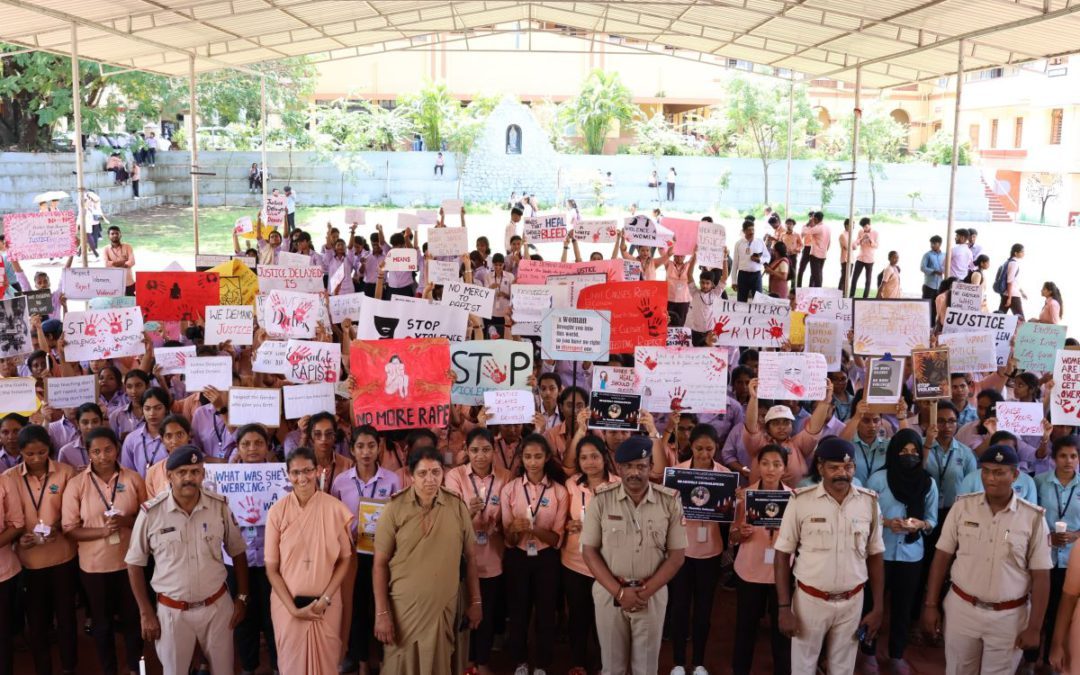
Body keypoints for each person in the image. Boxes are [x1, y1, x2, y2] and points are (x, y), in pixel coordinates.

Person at [921, 445, 1052, 675]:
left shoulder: (1032, 518)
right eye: (986, 471)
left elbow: (1041, 576)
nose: (991, 478)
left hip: (1009, 617)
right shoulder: (963, 507)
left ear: (1015, 475)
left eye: (999, 472)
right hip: (963, 609)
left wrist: (1034, 627)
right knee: (958, 670)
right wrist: (931, 605)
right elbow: (942, 556)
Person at [125, 445, 249, 675]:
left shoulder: (218, 506)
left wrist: (241, 597)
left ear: (203, 474)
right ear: (169, 476)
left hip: (217, 607)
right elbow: (134, 563)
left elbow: (237, 551)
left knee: (225, 671)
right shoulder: (151, 513)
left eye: (195, 471)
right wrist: (146, 612)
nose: (189, 478)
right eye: (182, 472)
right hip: (172, 612)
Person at [774, 436, 885, 675]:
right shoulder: (801, 501)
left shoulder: (869, 503)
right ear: (820, 468)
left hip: (853, 601)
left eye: (848, 467)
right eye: (834, 467)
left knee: (843, 668)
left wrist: (877, 607)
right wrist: (784, 607)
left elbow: (875, 555)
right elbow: (782, 555)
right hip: (810, 600)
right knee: (803, 667)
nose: (842, 473)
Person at [581, 436, 687, 675]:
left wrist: (643, 593)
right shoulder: (601, 500)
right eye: (628, 466)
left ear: (651, 466)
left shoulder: (669, 502)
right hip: (610, 594)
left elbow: (677, 556)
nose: (634, 472)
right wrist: (619, 593)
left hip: (651, 595)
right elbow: (589, 552)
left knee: (646, 668)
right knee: (612, 667)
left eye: (641, 466)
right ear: (618, 468)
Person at [373, 446, 482, 675]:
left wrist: (476, 601)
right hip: (403, 611)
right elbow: (380, 564)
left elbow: (471, 558)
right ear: (411, 476)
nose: (430, 479)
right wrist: (382, 614)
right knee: (399, 665)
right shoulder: (394, 509)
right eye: (423, 473)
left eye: (436, 472)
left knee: (439, 664)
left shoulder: (456, 506)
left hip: (444, 607)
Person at [61, 426, 147, 675]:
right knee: (102, 623)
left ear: (117, 449)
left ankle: (136, 669)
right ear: (88, 453)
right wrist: (102, 532)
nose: (103, 456)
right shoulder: (77, 484)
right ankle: (109, 669)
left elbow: (148, 518)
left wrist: (126, 522)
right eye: (96, 451)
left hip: (130, 563)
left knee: (133, 621)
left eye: (108, 449)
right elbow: (69, 528)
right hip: (94, 566)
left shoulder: (132, 478)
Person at [265, 447, 354, 675]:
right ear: (287, 474)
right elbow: (272, 568)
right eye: (295, 472)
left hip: (326, 606)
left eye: (307, 470)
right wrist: (293, 610)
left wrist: (325, 598)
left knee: (326, 664)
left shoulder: (335, 509)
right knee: (291, 665)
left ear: (318, 471)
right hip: (287, 606)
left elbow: (345, 559)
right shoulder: (277, 512)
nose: (302, 478)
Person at [3, 424, 78, 675]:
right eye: (29, 454)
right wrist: (17, 540)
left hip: (62, 556)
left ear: (50, 449)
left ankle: (69, 668)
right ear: (20, 453)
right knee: (36, 623)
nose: (36, 459)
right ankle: (42, 668)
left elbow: (72, 512)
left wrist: (57, 526)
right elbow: (10, 520)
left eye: (42, 453)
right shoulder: (9, 478)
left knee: (66, 619)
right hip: (28, 561)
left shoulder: (66, 473)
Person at [864, 429, 938, 675]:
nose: (909, 456)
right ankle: (868, 652)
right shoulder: (878, 479)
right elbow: (865, 514)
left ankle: (896, 654)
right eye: (904, 451)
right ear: (894, 452)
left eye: (914, 452)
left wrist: (920, 525)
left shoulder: (928, 482)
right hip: (879, 552)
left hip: (911, 553)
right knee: (872, 604)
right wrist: (886, 523)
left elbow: (932, 519)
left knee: (903, 607)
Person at [332, 425, 400, 675]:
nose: (366, 451)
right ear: (352, 450)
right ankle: (362, 663)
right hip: (353, 556)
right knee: (358, 608)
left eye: (371, 445)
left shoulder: (392, 480)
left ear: (379, 447)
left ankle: (384, 662)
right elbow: (334, 519)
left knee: (383, 606)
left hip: (383, 554)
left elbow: (398, 517)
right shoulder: (341, 482)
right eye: (360, 446)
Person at [499, 434, 568, 675]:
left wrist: (533, 529)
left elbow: (557, 539)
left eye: (538, 456)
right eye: (527, 456)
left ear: (547, 457)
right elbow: (508, 540)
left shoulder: (559, 491)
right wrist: (514, 531)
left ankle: (542, 663)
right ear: (521, 458)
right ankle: (520, 661)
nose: (532, 462)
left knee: (546, 612)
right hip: (518, 556)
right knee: (518, 611)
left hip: (547, 558)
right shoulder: (510, 489)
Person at [444, 428, 510, 675]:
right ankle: (465, 662)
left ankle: (482, 662)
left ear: (494, 451)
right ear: (466, 452)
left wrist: (500, 522)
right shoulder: (455, 476)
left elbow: (512, 512)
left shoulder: (506, 476)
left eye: (485, 450)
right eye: (474, 450)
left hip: (493, 557)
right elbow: (449, 519)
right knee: (463, 612)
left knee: (487, 613)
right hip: (461, 557)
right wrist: (469, 512)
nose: (480, 456)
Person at [668, 425, 732, 675]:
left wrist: (731, 502)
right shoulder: (678, 473)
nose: (705, 454)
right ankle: (677, 662)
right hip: (681, 551)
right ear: (690, 447)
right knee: (680, 607)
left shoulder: (725, 475)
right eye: (699, 448)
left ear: (716, 447)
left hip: (711, 552)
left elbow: (728, 519)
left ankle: (699, 662)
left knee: (704, 610)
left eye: (709, 449)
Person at [228, 424, 279, 675]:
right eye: (246, 444)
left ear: (267, 447)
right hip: (239, 562)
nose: (252, 449)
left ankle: (279, 666)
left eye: (258, 443)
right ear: (237, 448)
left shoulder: (279, 477)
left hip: (272, 562)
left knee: (274, 618)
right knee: (243, 616)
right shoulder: (225, 480)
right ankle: (249, 667)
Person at [1030, 436, 1080, 671]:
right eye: (1063, 456)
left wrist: (1076, 535)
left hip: (1072, 559)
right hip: (1044, 556)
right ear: (1054, 458)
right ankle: (1030, 659)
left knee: (1061, 610)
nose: (1068, 461)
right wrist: (1048, 535)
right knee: (1038, 609)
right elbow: (1030, 518)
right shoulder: (1039, 482)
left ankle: (1051, 658)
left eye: (1073, 456)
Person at [732, 220, 768, 303]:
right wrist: (734, 281)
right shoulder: (739, 243)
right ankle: (741, 316)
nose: (751, 232)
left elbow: (767, 257)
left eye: (753, 229)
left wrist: (760, 260)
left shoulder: (760, 242)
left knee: (758, 301)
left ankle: (757, 316)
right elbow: (735, 264)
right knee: (741, 301)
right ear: (744, 231)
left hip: (756, 275)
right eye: (749, 230)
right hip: (743, 275)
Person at [103, 226, 136, 296]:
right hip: (113, 282)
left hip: (128, 281)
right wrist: (124, 261)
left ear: (120, 235)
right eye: (112, 234)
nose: (115, 235)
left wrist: (114, 264)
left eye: (117, 233)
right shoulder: (106, 249)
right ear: (108, 236)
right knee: (116, 303)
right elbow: (106, 264)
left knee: (131, 302)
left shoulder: (128, 247)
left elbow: (132, 261)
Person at [850, 217, 878, 298]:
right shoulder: (860, 232)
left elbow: (876, 245)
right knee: (854, 278)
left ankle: (865, 297)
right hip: (860, 258)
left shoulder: (875, 233)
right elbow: (856, 243)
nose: (864, 228)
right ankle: (851, 295)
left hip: (870, 259)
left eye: (866, 227)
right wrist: (862, 238)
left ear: (869, 225)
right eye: (863, 227)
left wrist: (870, 240)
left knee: (868, 280)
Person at [920, 236, 945, 325]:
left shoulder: (944, 255)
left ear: (940, 244)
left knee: (937, 306)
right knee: (926, 306)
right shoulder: (927, 255)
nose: (932, 245)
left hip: (940, 286)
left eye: (934, 243)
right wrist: (934, 271)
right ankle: (924, 324)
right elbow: (922, 268)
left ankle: (933, 325)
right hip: (929, 285)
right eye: (931, 243)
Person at [999, 243, 1026, 318]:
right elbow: (1010, 281)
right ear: (1016, 253)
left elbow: (1014, 281)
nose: (1024, 253)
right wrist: (1009, 298)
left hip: (1006, 294)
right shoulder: (1014, 263)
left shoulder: (1008, 262)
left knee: (999, 317)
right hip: (1012, 295)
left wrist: (1022, 292)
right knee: (1021, 320)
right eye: (1022, 252)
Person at [807, 211, 830, 288]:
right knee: (817, 274)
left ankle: (818, 292)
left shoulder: (818, 228)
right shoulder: (827, 227)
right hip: (823, 254)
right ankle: (812, 290)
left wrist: (808, 224)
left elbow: (805, 232)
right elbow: (829, 242)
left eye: (813, 219)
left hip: (815, 254)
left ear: (815, 219)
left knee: (816, 277)